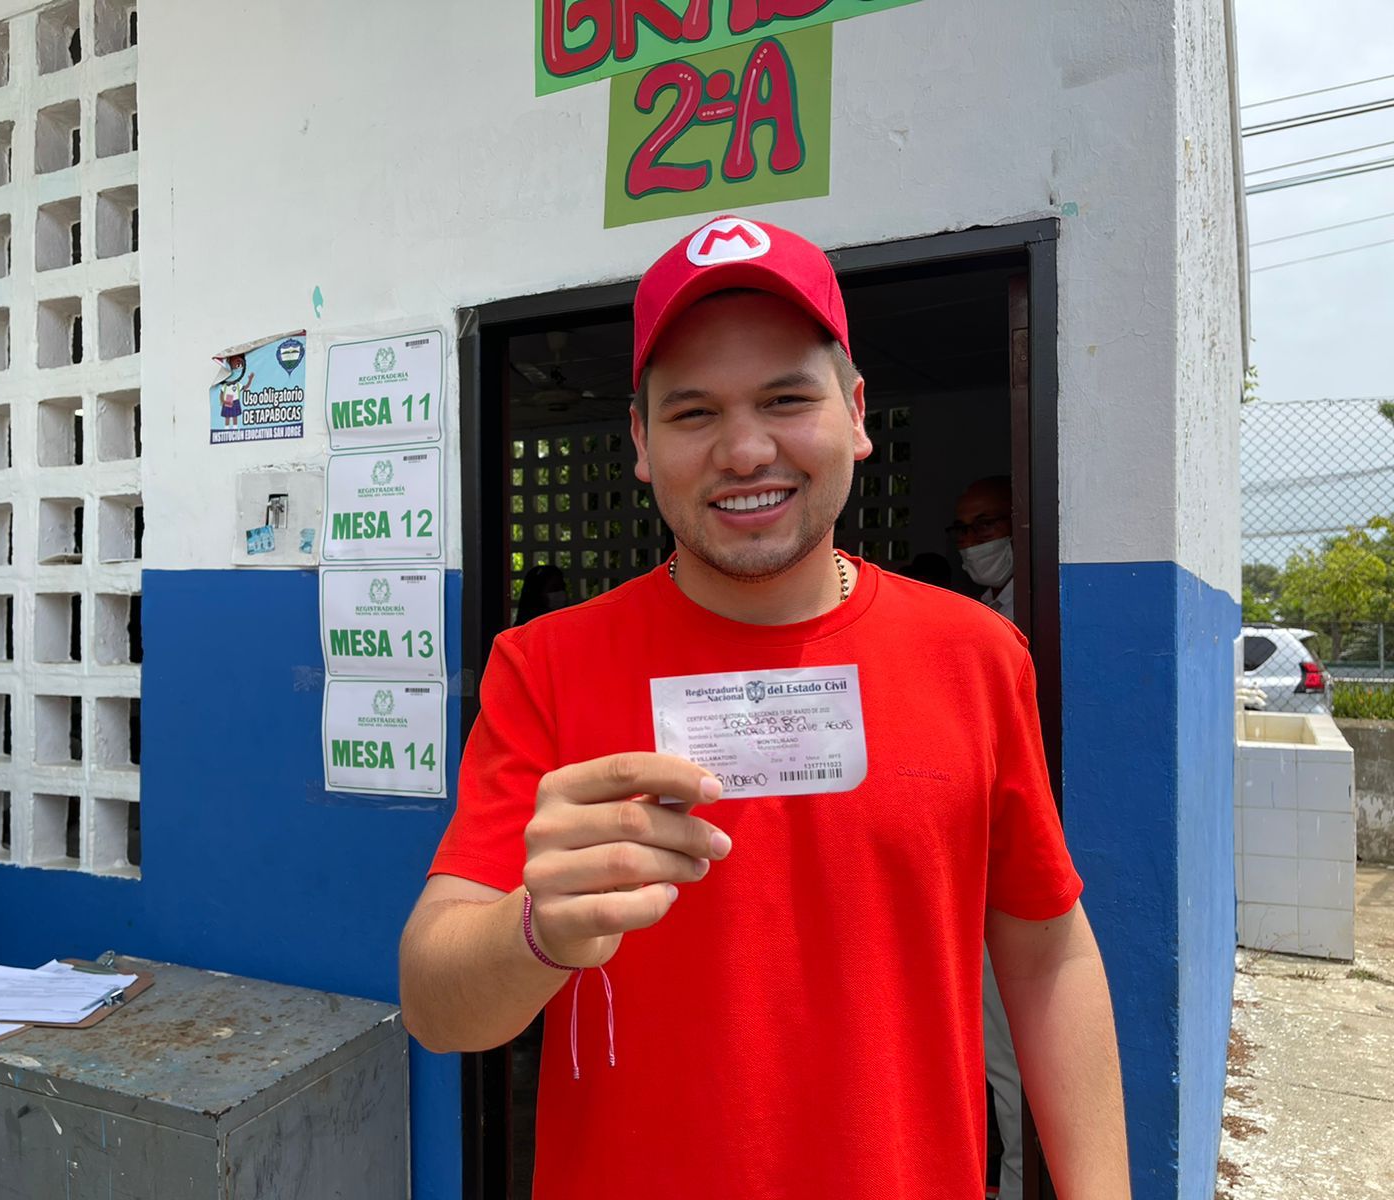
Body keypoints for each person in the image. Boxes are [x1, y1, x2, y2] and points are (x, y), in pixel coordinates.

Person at [399, 216, 1130, 1197]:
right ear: (641, 443)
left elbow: (1045, 951)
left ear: (857, 412)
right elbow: (436, 1007)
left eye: (786, 399)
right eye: (693, 413)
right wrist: (536, 933)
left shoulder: (977, 655)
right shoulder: (544, 667)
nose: (745, 451)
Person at [950, 473, 1025, 1197]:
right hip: (963, 883)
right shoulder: (980, 616)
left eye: (987, 524)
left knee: (1009, 1069)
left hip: (1014, 879)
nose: (976, 543)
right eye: (965, 530)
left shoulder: (1018, 625)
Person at [952, 475, 1016, 617]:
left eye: (986, 524)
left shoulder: (1035, 608)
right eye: (961, 528)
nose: (969, 542)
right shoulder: (987, 604)